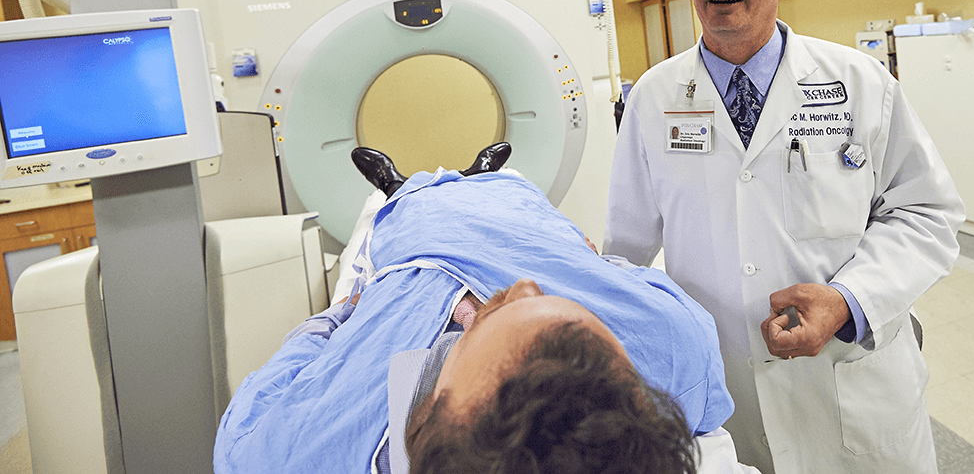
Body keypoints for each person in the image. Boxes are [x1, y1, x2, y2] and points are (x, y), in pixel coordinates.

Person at [604, 0, 965, 474]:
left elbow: (925, 213)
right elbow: (623, 250)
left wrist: (848, 301)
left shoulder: (859, 82)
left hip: (850, 376)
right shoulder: (654, 97)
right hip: (725, 382)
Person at [213, 146, 736, 474]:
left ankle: (399, 187)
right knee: (523, 210)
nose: (522, 287)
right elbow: (644, 290)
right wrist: (588, 265)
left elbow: (272, 387)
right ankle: (487, 177)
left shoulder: (285, 456)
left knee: (409, 216)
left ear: (422, 423)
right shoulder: (675, 350)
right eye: (577, 328)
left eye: (476, 327)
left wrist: (344, 313)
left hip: (412, 270)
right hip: (529, 235)